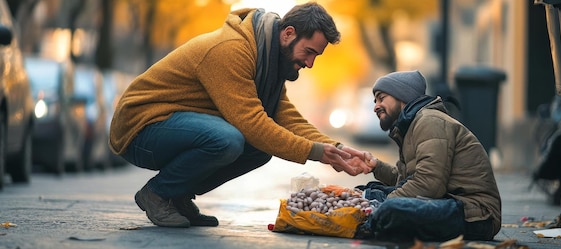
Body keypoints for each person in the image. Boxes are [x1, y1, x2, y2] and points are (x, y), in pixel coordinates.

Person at [109, 2, 369, 228]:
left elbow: (287, 118)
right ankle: (157, 193)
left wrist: (336, 148)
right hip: (140, 129)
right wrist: (316, 153)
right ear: (289, 33)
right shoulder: (232, 50)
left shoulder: (267, 61)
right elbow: (252, 123)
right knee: (229, 139)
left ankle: (177, 195)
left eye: (316, 56)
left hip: (171, 126)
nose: (310, 63)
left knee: (258, 149)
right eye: (309, 52)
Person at [353, 70, 502, 241]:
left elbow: (429, 185)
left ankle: (373, 221)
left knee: (390, 209)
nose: (376, 106)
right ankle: (374, 218)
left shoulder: (430, 121)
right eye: (375, 101)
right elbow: (407, 180)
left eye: (381, 98)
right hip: (450, 203)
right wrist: (376, 166)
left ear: (402, 96)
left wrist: (383, 203)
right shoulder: (411, 125)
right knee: (368, 191)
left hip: (476, 215)